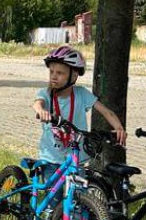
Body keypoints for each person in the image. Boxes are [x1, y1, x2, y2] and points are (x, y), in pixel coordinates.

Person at [32, 46, 126, 175]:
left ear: (74, 76)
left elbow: (106, 112)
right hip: (51, 158)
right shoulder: (46, 93)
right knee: (55, 194)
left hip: (76, 158)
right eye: (51, 72)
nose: (54, 76)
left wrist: (119, 127)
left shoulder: (81, 94)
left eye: (59, 73)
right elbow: (38, 103)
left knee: (77, 192)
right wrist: (41, 111)